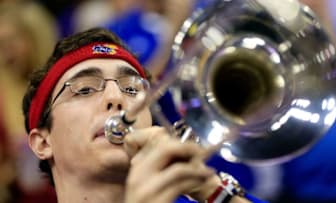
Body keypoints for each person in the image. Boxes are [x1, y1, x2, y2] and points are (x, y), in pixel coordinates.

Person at [22, 27, 264, 203]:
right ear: (43, 142)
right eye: (84, 89)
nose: (116, 97)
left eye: (132, 89)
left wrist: (213, 191)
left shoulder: (209, 196)